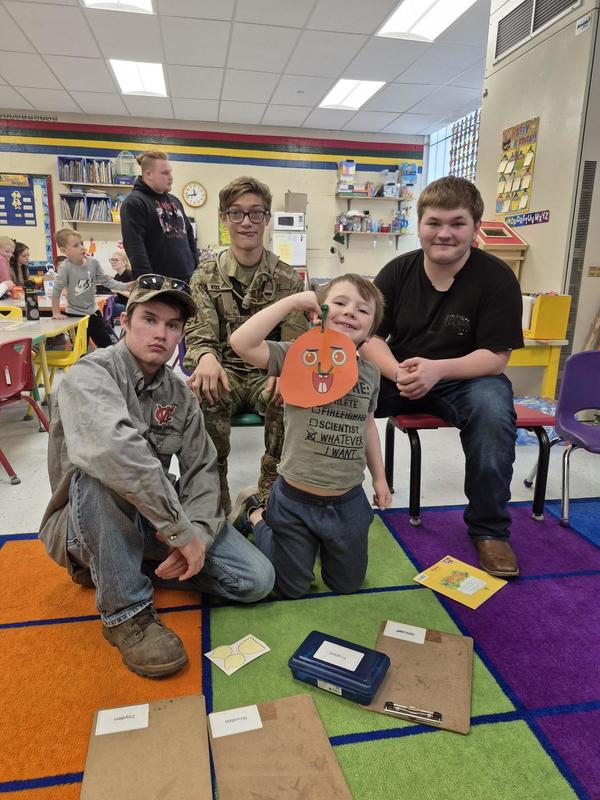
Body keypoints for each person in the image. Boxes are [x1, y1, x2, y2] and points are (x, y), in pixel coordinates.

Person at [39, 275, 275, 679]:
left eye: (172, 325)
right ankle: (125, 612)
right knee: (103, 473)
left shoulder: (179, 395)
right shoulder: (89, 375)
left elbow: (202, 469)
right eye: (149, 319)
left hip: (153, 522)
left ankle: (120, 567)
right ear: (125, 322)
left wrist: (197, 532)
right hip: (81, 524)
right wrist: (179, 531)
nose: (160, 333)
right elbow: (118, 454)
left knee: (256, 579)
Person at [360, 176, 524, 577]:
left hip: (466, 376)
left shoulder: (497, 278)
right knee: (341, 395)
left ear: (475, 228)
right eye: (434, 222)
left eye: (457, 223)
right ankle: (324, 503)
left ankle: (490, 531)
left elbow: (496, 357)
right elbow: (369, 337)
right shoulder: (397, 272)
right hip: (403, 372)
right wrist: (399, 371)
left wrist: (438, 370)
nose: (444, 233)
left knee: (493, 411)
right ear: (419, 225)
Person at [229, 274, 392, 599]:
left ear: (372, 330)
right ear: (319, 314)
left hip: (346, 501)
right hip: (295, 500)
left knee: (347, 584)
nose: (350, 312)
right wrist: (291, 302)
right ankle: (257, 515)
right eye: (341, 303)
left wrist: (380, 478)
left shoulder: (371, 373)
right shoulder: (296, 356)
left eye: (363, 310)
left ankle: (317, 543)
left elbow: (368, 425)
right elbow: (242, 343)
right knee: (291, 588)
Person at [184, 176, 309, 515]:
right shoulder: (205, 276)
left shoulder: (288, 279)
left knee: (292, 395)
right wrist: (206, 357)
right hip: (223, 374)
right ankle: (213, 496)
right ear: (224, 218)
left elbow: (296, 340)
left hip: (265, 374)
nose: (247, 223)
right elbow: (199, 332)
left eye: (256, 213)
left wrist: (287, 371)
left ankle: (273, 489)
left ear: (267, 218)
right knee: (202, 391)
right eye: (237, 213)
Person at [120, 150, 199, 281]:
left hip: (187, 281)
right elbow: (135, 248)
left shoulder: (175, 201)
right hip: (159, 286)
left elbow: (190, 236)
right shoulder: (134, 203)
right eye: (165, 173)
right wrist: (150, 284)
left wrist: (196, 268)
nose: (171, 177)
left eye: (170, 172)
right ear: (148, 174)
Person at [51, 228, 130, 348]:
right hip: (75, 315)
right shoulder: (65, 268)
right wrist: (56, 312)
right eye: (76, 245)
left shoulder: (93, 263)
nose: (82, 247)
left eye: (81, 243)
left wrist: (126, 286)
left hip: (93, 312)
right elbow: (56, 290)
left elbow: (106, 281)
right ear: (64, 251)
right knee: (81, 349)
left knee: (107, 345)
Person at [108, 249, 133, 318]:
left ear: (124, 262)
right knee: (105, 303)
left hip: (130, 307)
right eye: (111, 260)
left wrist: (118, 290)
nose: (113, 262)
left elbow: (134, 295)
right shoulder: (117, 276)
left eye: (116, 260)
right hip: (121, 303)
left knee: (106, 308)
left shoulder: (130, 274)